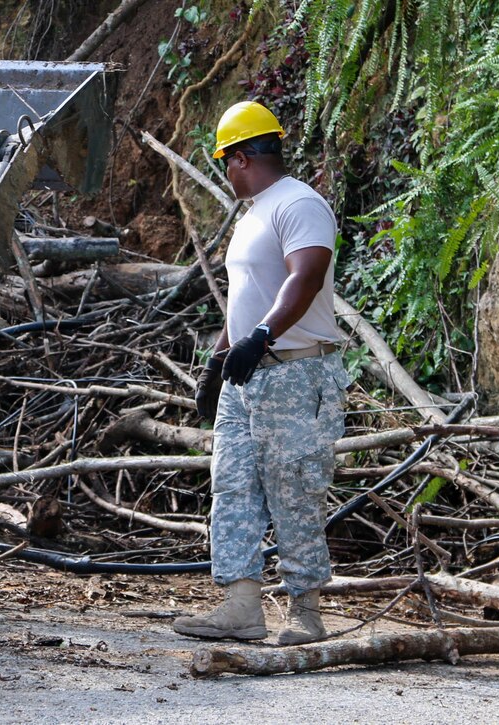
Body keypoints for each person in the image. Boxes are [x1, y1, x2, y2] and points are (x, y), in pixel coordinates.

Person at [173, 101, 349, 646]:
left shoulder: (300, 204)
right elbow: (247, 300)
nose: (226, 172)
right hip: (246, 376)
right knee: (233, 486)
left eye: (226, 161)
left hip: (296, 373)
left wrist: (261, 339)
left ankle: (305, 614)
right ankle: (242, 607)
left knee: (295, 489)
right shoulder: (254, 215)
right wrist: (220, 357)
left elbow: (306, 278)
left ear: (243, 157)